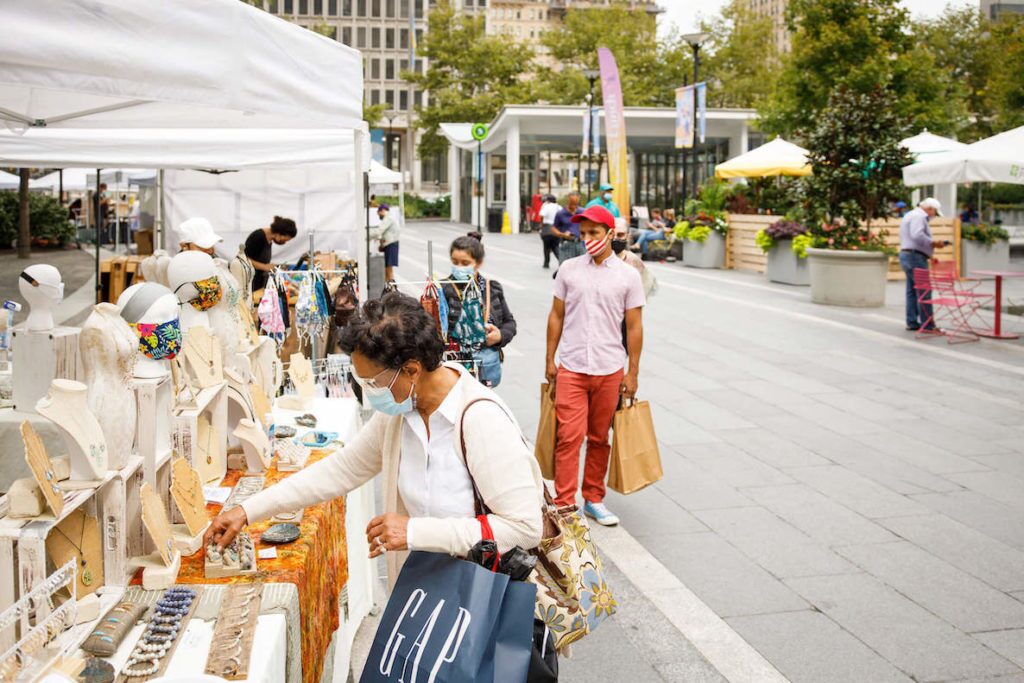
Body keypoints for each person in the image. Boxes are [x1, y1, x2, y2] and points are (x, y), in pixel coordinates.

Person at [204, 292, 544, 590]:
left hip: (479, 597)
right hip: (428, 592)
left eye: (373, 383)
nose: (369, 393)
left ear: (412, 370)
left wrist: (413, 532)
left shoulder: (481, 420)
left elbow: (524, 528)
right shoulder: (401, 414)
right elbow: (341, 469)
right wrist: (248, 510)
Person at [545, 204, 645, 526]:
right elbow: (556, 315)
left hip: (610, 368)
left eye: (593, 233)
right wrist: (550, 359)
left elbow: (634, 326)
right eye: (583, 233)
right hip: (572, 367)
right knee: (569, 436)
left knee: (600, 438)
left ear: (609, 234)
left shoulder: (629, 276)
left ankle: (593, 499)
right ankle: (563, 504)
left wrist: (633, 371)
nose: (587, 238)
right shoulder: (569, 270)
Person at [443, 235, 517, 387]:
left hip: (484, 368)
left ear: (478, 263)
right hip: (451, 370)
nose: (459, 267)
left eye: (465, 263)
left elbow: (509, 322)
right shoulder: (442, 289)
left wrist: (499, 336)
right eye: (455, 262)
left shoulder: (492, 288)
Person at [899, 197, 946, 332]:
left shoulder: (910, 214)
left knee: (912, 291)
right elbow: (917, 235)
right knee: (924, 290)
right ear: (930, 209)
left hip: (907, 255)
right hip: (915, 257)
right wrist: (933, 243)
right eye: (935, 213)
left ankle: (912, 321)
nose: (934, 216)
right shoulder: (920, 216)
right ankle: (928, 324)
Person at [245, 216, 298, 292]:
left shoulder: (269, 240)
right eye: (285, 240)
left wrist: (271, 267)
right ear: (279, 234)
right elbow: (244, 259)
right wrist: (265, 267)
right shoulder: (258, 237)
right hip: (251, 283)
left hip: (259, 282)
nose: (284, 242)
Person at [552, 191, 584, 271]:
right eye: (572, 203)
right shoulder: (560, 213)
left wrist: (584, 234)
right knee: (565, 269)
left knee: (582, 269)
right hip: (566, 243)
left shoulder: (582, 212)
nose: (574, 206)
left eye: (576, 203)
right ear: (568, 200)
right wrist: (563, 235)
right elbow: (553, 228)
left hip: (580, 244)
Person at [369, 203, 401, 283]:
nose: (379, 216)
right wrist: (381, 241)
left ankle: (391, 288)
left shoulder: (388, 218)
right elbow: (384, 233)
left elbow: (379, 231)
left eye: (379, 214)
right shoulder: (390, 218)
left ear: (382, 210)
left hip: (391, 245)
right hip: (390, 244)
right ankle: (388, 287)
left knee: (389, 269)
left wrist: (366, 236)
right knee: (387, 268)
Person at [539, 194, 562, 269]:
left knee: (546, 247)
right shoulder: (559, 207)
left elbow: (542, 215)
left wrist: (542, 224)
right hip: (556, 229)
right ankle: (561, 260)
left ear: (548, 200)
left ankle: (546, 263)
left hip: (547, 228)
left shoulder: (546, 206)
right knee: (555, 246)